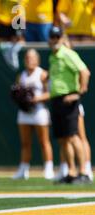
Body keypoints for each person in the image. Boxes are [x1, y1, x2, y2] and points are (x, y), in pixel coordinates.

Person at [48, 26, 91, 184]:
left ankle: (83, 172)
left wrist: (78, 93)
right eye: (52, 37)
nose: (54, 40)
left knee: (73, 137)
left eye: (57, 37)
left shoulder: (68, 53)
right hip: (57, 100)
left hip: (68, 99)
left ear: (61, 38)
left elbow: (84, 71)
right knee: (63, 139)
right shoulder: (53, 56)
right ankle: (71, 172)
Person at [12, 49, 54, 180]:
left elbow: (50, 93)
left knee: (44, 141)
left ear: (37, 60)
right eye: (27, 58)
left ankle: (48, 168)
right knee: (25, 143)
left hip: (39, 111)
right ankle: (23, 169)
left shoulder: (42, 74)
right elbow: (18, 92)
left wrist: (37, 99)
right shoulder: (21, 75)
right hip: (25, 112)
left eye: (32, 58)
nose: (29, 60)